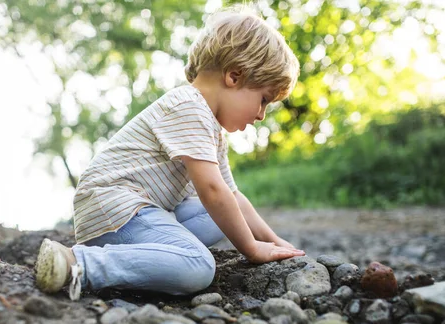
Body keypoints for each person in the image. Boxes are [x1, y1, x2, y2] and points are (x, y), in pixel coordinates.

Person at [35, 6, 304, 301]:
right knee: (199, 266)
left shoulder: (210, 127)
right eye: (263, 100)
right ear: (234, 76)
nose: (262, 115)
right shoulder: (188, 106)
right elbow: (213, 191)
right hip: (115, 209)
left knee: (226, 214)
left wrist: (275, 243)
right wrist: (252, 250)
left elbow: (231, 196)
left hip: (140, 209)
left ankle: (146, 254)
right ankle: (80, 263)